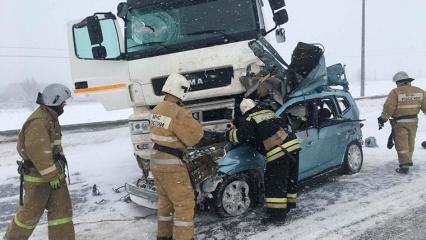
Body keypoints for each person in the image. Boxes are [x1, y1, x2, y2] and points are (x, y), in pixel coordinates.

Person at [4, 84, 74, 240]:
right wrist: (52, 175)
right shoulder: (38, 121)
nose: (65, 105)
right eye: (63, 102)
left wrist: (56, 173)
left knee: (62, 213)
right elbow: (39, 153)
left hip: (54, 175)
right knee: (29, 216)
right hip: (40, 178)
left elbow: (53, 149)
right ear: (55, 101)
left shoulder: (50, 117)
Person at [226, 98, 301, 224]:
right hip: (293, 145)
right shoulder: (269, 112)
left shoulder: (249, 117)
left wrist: (230, 133)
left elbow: (243, 135)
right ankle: (287, 207)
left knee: (274, 183)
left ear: (243, 110)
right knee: (288, 180)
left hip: (279, 152)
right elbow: (277, 126)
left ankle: (277, 217)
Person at [149, 73, 204, 240]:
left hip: (156, 162)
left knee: (165, 203)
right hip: (172, 164)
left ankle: (163, 236)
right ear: (181, 90)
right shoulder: (178, 112)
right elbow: (195, 137)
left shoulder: (157, 109)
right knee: (184, 205)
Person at [378, 71, 426, 174]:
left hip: (400, 122)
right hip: (413, 122)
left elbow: (389, 107)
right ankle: (408, 160)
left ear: (398, 82)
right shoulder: (420, 91)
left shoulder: (395, 92)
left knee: (402, 144)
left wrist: (383, 119)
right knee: (410, 142)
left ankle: (404, 166)